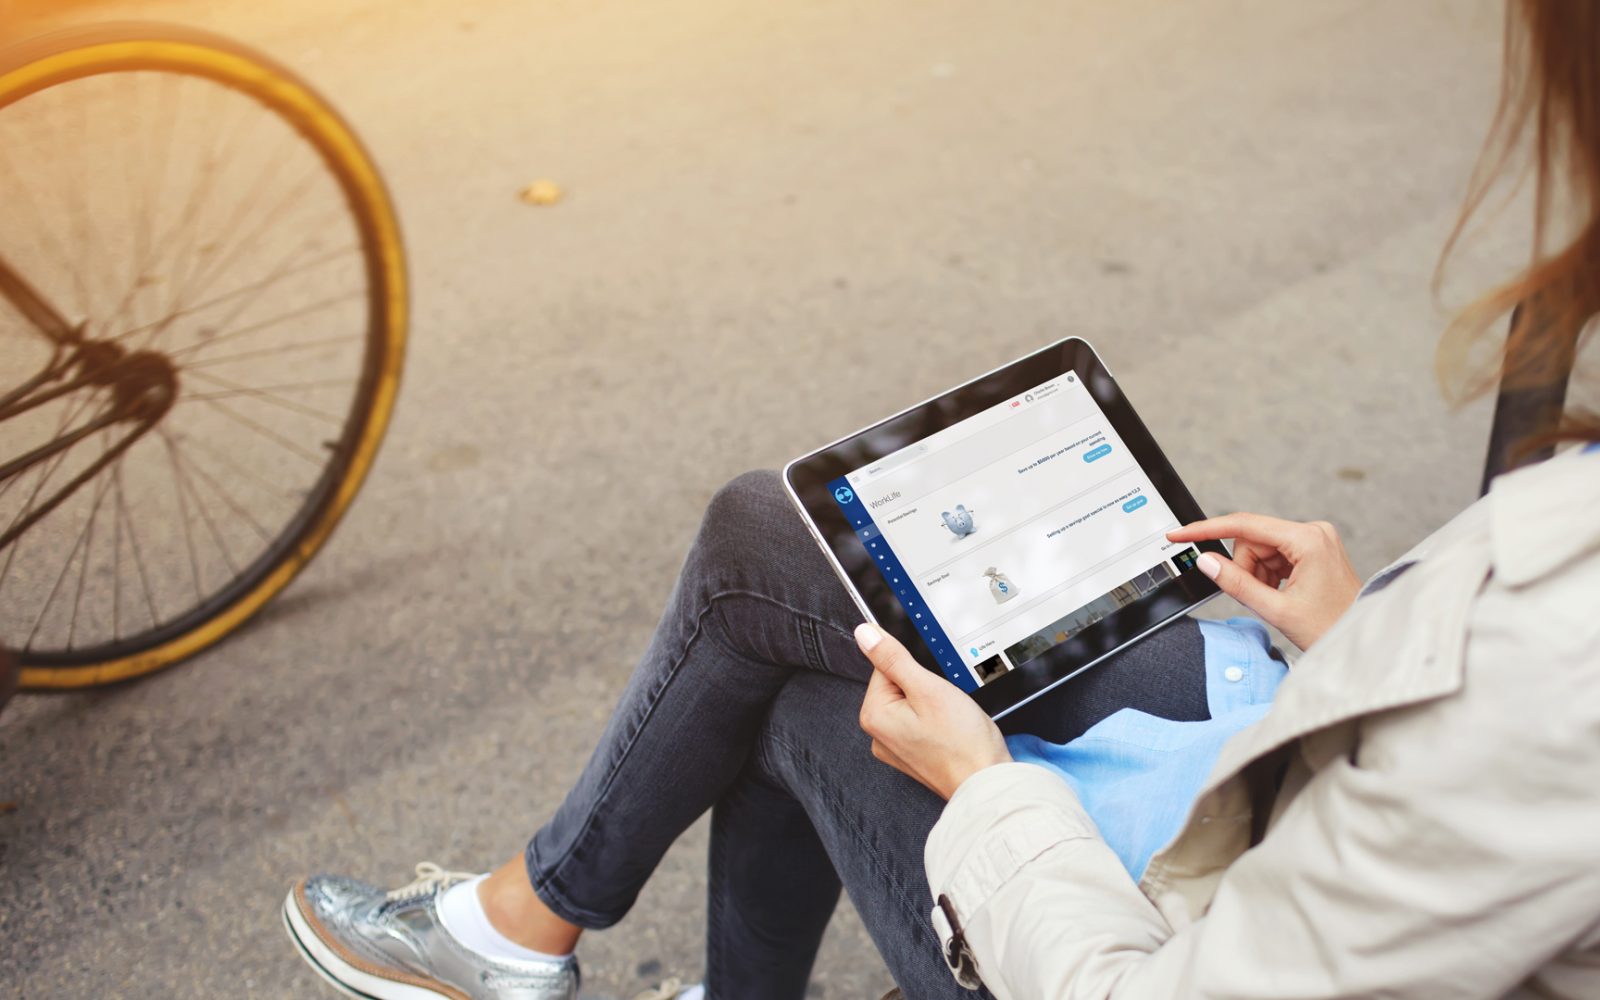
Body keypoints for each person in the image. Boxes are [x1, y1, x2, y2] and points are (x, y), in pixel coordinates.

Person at [282, 2, 1600, 998]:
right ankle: (525, 929)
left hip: (1171, 899)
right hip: (1269, 745)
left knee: (801, 659)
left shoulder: (1560, 682)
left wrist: (986, 791)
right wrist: (1361, 633)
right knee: (793, 578)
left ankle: (518, 932)